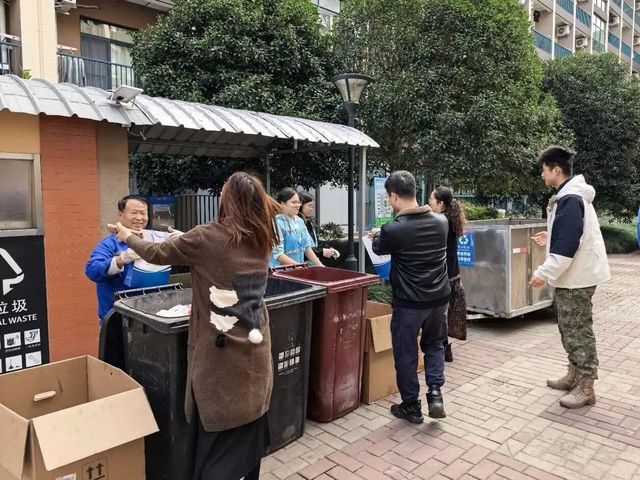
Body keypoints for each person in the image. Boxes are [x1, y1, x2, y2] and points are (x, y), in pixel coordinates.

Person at [114, 172, 279, 480]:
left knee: (219, 445)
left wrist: (127, 237)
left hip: (221, 358)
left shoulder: (207, 237)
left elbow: (156, 253)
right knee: (247, 436)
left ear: (227, 200)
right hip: (256, 347)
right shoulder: (263, 235)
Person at [529, 146, 610, 409]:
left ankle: (586, 386)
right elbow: (570, 235)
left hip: (577, 279)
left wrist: (543, 273)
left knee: (577, 331)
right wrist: (550, 236)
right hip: (573, 277)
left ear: (556, 170)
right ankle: (574, 375)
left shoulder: (570, 199)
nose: (542, 174)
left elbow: (567, 248)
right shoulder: (568, 196)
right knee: (568, 328)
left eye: (544, 170)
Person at [369, 171, 450, 423]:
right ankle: (435, 394)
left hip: (409, 303)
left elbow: (379, 247)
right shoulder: (441, 221)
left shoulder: (393, 229)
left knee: (406, 353)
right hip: (439, 299)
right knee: (434, 344)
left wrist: (379, 233)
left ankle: (411, 405)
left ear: (394, 196)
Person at [85, 195, 149, 325]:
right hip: (118, 319)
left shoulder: (152, 241)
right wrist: (121, 259)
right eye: (134, 213)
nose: (139, 218)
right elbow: (91, 270)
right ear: (121, 214)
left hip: (151, 316)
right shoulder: (109, 244)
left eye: (143, 213)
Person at [428, 186, 468, 363]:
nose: (429, 201)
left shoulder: (441, 221)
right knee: (444, 312)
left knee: (439, 313)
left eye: (431, 198)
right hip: (453, 273)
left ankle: (443, 348)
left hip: (443, 275)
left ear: (440, 203)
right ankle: (445, 347)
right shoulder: (451, 219)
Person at [270, 188, 323, 267]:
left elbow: (307, 248)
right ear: (282, 203)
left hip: (297, 269)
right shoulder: (276, 222)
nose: (298, 205)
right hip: (280, 270)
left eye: (299, 202)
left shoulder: (299, 221)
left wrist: (320, 266)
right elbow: (278, 254)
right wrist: (299, 267)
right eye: (293, 202)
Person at [297, 191, 340, 262]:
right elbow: (302, 249)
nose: (311, 209)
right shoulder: (296, 223)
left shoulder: (308, 222)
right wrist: (321, 252)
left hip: (311, 263)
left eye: (312, 206)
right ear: (301, 205)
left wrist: (328, 248)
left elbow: (315, 242)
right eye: (309, 206)